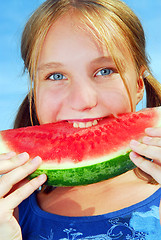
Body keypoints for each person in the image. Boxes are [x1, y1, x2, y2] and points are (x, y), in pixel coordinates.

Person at [1, 0, 161, 239]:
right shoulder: (11, 210)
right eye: (56, 75)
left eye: (105, 71)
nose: (83, 100)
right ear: (35, 91)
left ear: (139, 84)